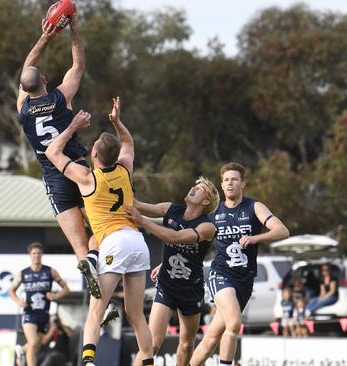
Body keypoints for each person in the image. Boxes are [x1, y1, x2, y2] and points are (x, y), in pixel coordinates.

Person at [45, 97, 154, 366]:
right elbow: (128, 143)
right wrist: (117, 122)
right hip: (137, 241)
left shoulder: (87, 178)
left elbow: (51, 153)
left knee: (96, 309)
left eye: (92, 147)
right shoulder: (125, 169)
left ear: (94, 155)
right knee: (136, 314)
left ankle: (89, 362)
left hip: (113, 242)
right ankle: (149, 360)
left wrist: (71, 128)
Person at [16, 8, 100, 299]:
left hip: (52, 180)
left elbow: (28, 67)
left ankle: (92, 279)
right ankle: (99, 262)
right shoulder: (60, 97)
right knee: (102, 226)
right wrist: (73, 28)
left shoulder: (23, 108)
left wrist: (45, 37)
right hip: (76, 169)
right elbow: (78, 64)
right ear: (45, 80)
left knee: (79, 246)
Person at [189, 162, 289, 366]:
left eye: (234, 179)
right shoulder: (213, 214)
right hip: (220, 275)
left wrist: (255, 238)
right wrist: (164, 264)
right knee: (234, 322)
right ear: (222, 185)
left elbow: (282, 231)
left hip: (244, 281)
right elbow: (191, 243)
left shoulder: (254, 207)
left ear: (242, 184)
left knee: (212, 337)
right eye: (226, 180)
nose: (230, 183)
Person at [125, 178, 219, 366]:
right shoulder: (171, 209)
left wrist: (142, 221)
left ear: (206, 202)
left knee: (185, 344)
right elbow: (136, 204)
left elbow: (176, 238)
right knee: (151, 344)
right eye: (194, 185)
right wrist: (120, 179)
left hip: (190, 289)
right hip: (166, 285)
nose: (193, 188)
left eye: (199, 189)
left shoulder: (207, 227)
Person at [10, 242, 70, 366]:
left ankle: (21, 352)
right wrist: (18, 301)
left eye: (38, 253)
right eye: (33, 253)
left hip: (43, 313)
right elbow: (11, 290)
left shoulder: (50, 271)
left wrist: (55, 296)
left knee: (37, 345)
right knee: (33, 341)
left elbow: (66, 289)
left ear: (42, 255)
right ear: (29, 255)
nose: (36, 256)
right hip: (29, 312)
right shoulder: (23, 273)